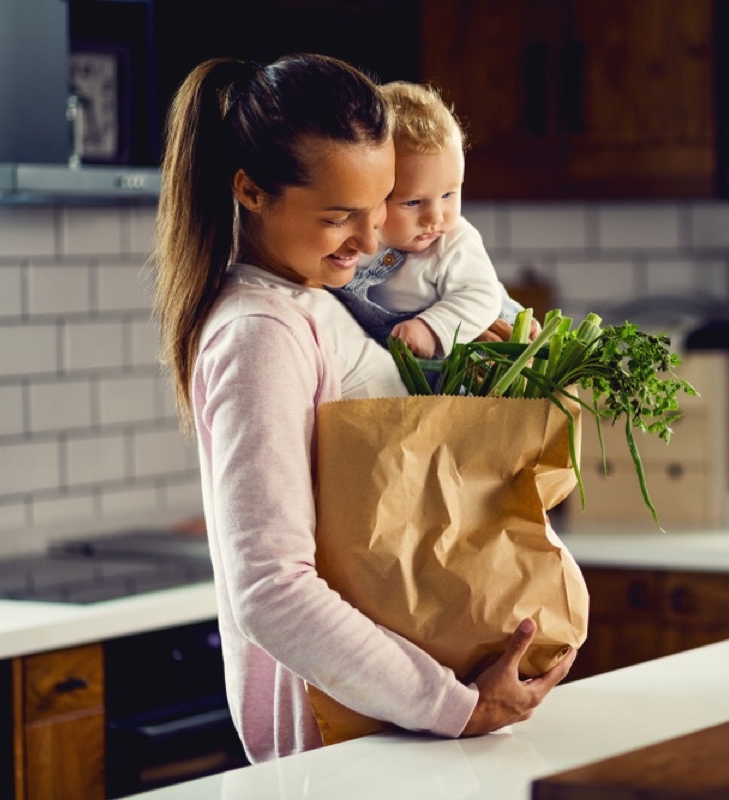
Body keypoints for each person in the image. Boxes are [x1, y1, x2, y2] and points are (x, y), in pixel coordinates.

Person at [150, 53, 575, 764]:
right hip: (344, 743)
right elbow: (272, 591)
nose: (374, 241)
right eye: (339, 215)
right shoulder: (260, 333)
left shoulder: (324, 305)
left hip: (398, 732)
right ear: (250, 192)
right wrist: (456, 706)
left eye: (379, 206)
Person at [330, 80, 533, 357]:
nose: (435, 217)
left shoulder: (454, 241)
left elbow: (480, 296)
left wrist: (430, 328)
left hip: (474, 354)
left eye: (449, 194)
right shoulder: (353, 248)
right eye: (413, 202)